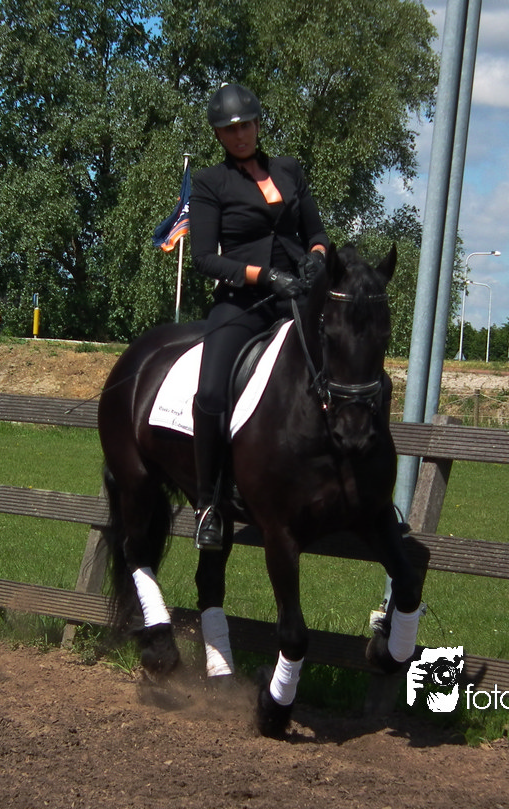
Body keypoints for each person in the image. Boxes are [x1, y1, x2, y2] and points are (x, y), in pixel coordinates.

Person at [188, 83, 330, 550]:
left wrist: (316, 257)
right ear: (218, 135)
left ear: (257, 125)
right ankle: (208, 504)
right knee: (211, 391)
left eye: (246, 126)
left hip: (299, 298)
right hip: (243, 301)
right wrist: (264, 276)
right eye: (229, 130)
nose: (240, 135)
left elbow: (317, 232)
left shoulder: (289, 170)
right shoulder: (210, 182)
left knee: (349, 370)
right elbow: (204, 258)